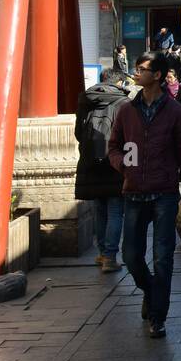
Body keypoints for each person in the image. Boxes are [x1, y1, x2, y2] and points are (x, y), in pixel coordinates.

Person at [108, 50, 181, 338]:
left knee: (163, 257)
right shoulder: (126, 110)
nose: (136, 72)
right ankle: (151, 291)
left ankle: (158, 316)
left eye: (142, 68)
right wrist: (122, 164)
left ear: (157, 75)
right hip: (133, 191)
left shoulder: (177, 113)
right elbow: (113, 146)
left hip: (164, 194)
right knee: (131, 256)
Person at [74, 68, 129, 272]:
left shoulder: (86, 100)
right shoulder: (123, 102)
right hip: (115, 161)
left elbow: (78, 132)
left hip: (90, 161)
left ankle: (101, 252)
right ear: (120, 83)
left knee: (100, 209)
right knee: (115, 210)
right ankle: (110, 257)